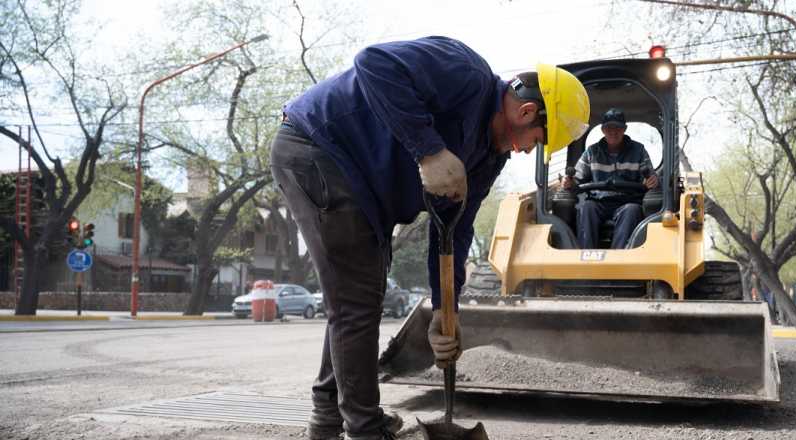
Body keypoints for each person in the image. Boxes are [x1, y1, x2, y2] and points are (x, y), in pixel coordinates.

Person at [270, 36, 589, 440]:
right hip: (319, 147)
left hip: (366, 190)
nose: (529, 152)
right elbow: (374, 63)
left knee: (358, 298)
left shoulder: (488, 159)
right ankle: (364, 429)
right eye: (537, 141)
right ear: (526, 112)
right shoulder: (465, 72)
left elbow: (453, 231)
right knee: (356, 302)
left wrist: (445, 308)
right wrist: (429, 151)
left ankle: (330, 418)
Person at [562, 108, 657, 249]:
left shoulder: (639, 151)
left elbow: (649, 176)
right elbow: (577, 179)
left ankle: (618, 259)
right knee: (586, 208)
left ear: (624, 129)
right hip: (598, 202)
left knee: (632, 210)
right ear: (603, 130)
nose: (613, 132)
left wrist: (651, 180)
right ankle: (585, 258)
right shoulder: (591, 153)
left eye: (618, 128)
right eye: (609, 128)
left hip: (627, 202)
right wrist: (569, 182)